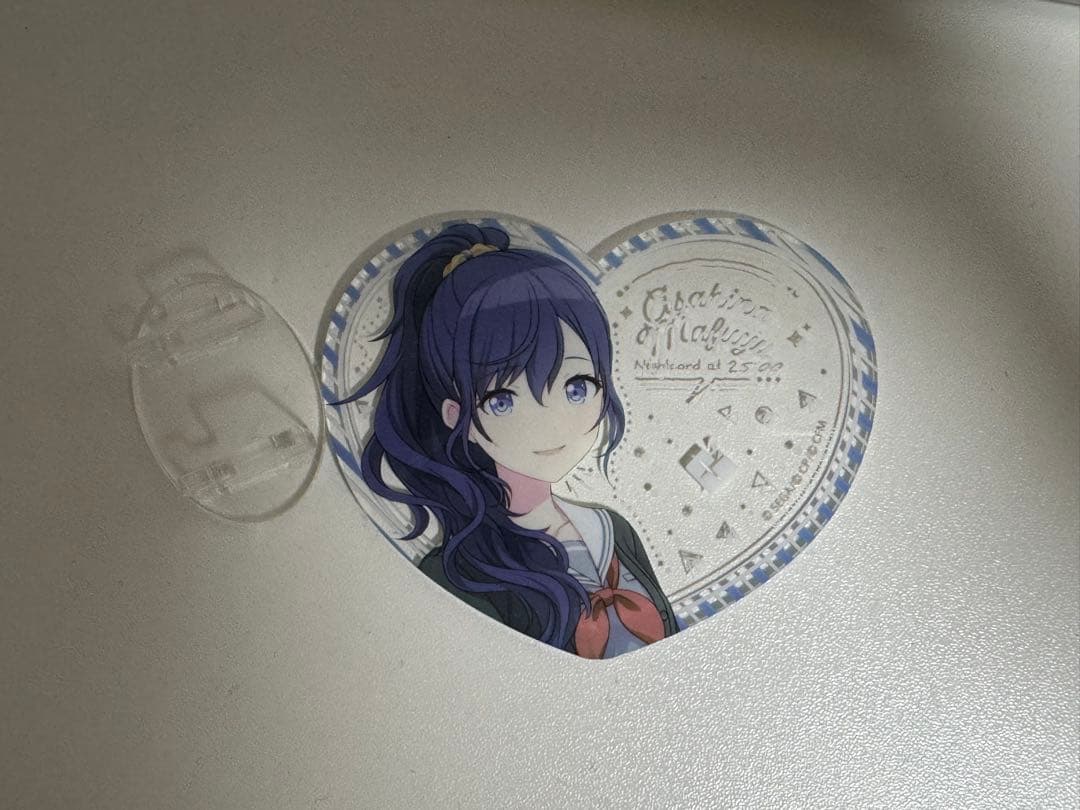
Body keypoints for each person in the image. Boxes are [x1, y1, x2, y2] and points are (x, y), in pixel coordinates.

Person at [335, 223, 678, 658]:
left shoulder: (614, 530)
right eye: (503, 400)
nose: (551, 423)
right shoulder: (458, 573)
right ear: (457, 417)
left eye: (576, 387)